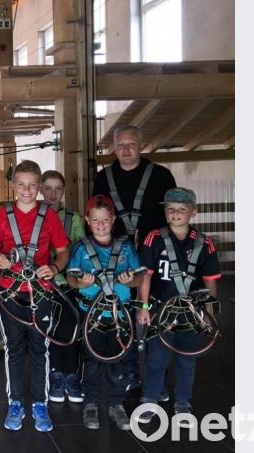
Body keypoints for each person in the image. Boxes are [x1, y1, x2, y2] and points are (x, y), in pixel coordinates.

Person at [92, 125, 177, 391]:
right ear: (114, 148)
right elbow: (96, 214)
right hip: (119, 256)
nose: (126, 150)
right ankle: (129, 372)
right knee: (125, 314)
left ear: (141, 145)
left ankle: (155, 379)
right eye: (121, 145)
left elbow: (172, 215)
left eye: (131, 144)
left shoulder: (162, 176)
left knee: (155, 314)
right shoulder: (104, 177)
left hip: (154, 253)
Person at [0, 160, 70, 433]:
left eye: (32, 185)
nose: (27, 190)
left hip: (41, 291)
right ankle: (15, 402)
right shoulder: (3, 215)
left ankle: (39, 402)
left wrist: (56, 267)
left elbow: (62, 250)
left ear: (39, 187)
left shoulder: (49, 216)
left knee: (39, 349)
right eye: (21, 185)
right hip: (10, 291)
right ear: (14, 187)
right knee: (14, 349)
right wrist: (0, 256)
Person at [135, 188, 222, 428]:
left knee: (187, 358)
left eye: (181, 210)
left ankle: (183, 401)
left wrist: (208, 313)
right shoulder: (154, 238)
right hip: (161, 308)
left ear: (193, 212)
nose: (175, 214)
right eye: (171, 209)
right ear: (165, 212)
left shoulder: (204, 243)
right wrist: (143, 307)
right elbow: (145, 276)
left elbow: (210, 280)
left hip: (191, 310)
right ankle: (150, 398)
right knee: (156, 357)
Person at [66, 194, 143, 431]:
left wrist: (130, 280)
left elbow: (139, 277)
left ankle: (116, 403)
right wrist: (82, 283)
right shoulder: (81, 248)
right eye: (96, 219)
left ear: (112, 220)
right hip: (92, 314)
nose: (101, 224)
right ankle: (91, 402)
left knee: (118, 359)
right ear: (87, 220)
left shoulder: (126, 248)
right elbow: (71, 277)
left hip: (119, 315)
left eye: (105, 220)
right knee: (91, 359)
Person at [39, 170, 85, 405]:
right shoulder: (34, 216)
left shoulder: (73, 218)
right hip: (41, 284)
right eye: (48, 188)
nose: (53, 193)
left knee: (71, 328)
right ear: (40, 190)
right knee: (50, 330)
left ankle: (71, 375)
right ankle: (55, 374)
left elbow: (80, 251)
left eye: (58, 188)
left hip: (67, 283)